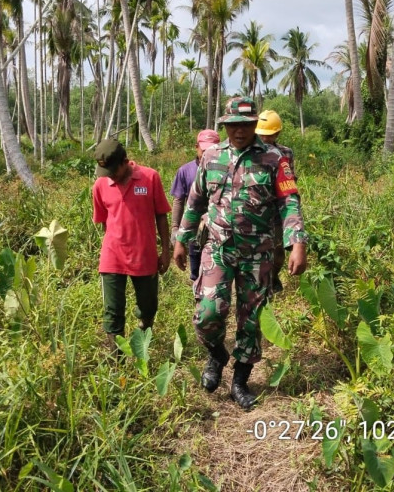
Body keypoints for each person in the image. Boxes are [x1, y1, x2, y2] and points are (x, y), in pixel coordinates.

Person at [173, 97, 308, 410]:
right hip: (217, 248)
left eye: (246, 124)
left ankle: (239, 380)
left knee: (251, 320)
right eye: (233, 125)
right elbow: (195, 201)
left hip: (257, 252)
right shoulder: (211, 157)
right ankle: (217, 354)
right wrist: (182, 238)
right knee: (207, 313)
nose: (239, 130)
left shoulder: (275, 159)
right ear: (225, 126)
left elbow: (289, 202)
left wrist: (296, 241)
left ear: (254, 125)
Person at [92, 139, 172, 352]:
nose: (109, 176)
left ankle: (142, 341)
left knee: (148, 306)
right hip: (112, 258)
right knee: (113, 311)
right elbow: (103, 222)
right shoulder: (100, 184)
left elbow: (161, 216)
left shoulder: (150, 177)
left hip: (144, 256)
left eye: (112, 171)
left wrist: (166, 251)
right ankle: (115, 359)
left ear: (125, 162)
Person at [170, 129, 221, 283]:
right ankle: (199, 300)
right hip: (195, 228)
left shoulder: (227, 169)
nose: (207, 153)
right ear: (196, 147)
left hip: (219, 230)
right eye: (204, 149)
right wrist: (175, 228)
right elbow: (179, 200)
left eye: (212, 149)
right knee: (196, 271)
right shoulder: (185, 171)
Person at [255, 110, 295, 295]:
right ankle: (260, 286)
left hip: (277, 212)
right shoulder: (251, 153)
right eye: (262, 135)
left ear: (277, 134)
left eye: (269, 135)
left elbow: (289, 181)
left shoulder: (285, 153)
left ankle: (273, 277)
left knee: (278, 253)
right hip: (256, 212)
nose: (265, 139)